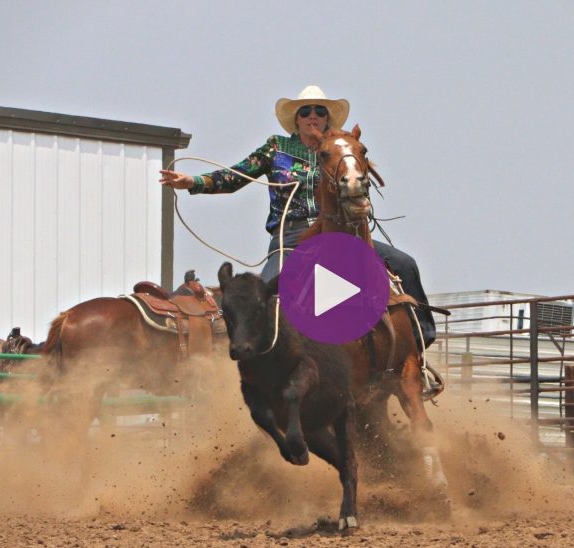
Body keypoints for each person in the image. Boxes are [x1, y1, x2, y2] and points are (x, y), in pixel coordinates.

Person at [160, 85, 437, 352]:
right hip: (290, 238)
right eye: (306, 111)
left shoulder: (338, 148)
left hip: (338, 235)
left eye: (320, 111)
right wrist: (193, 181)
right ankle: (259, 365)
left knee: (405, 264)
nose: (313, 115)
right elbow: (236, 176)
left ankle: (419, 339)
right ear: (296, 119)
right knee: (263, 298)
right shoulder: (276, 148)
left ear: (328, 118)